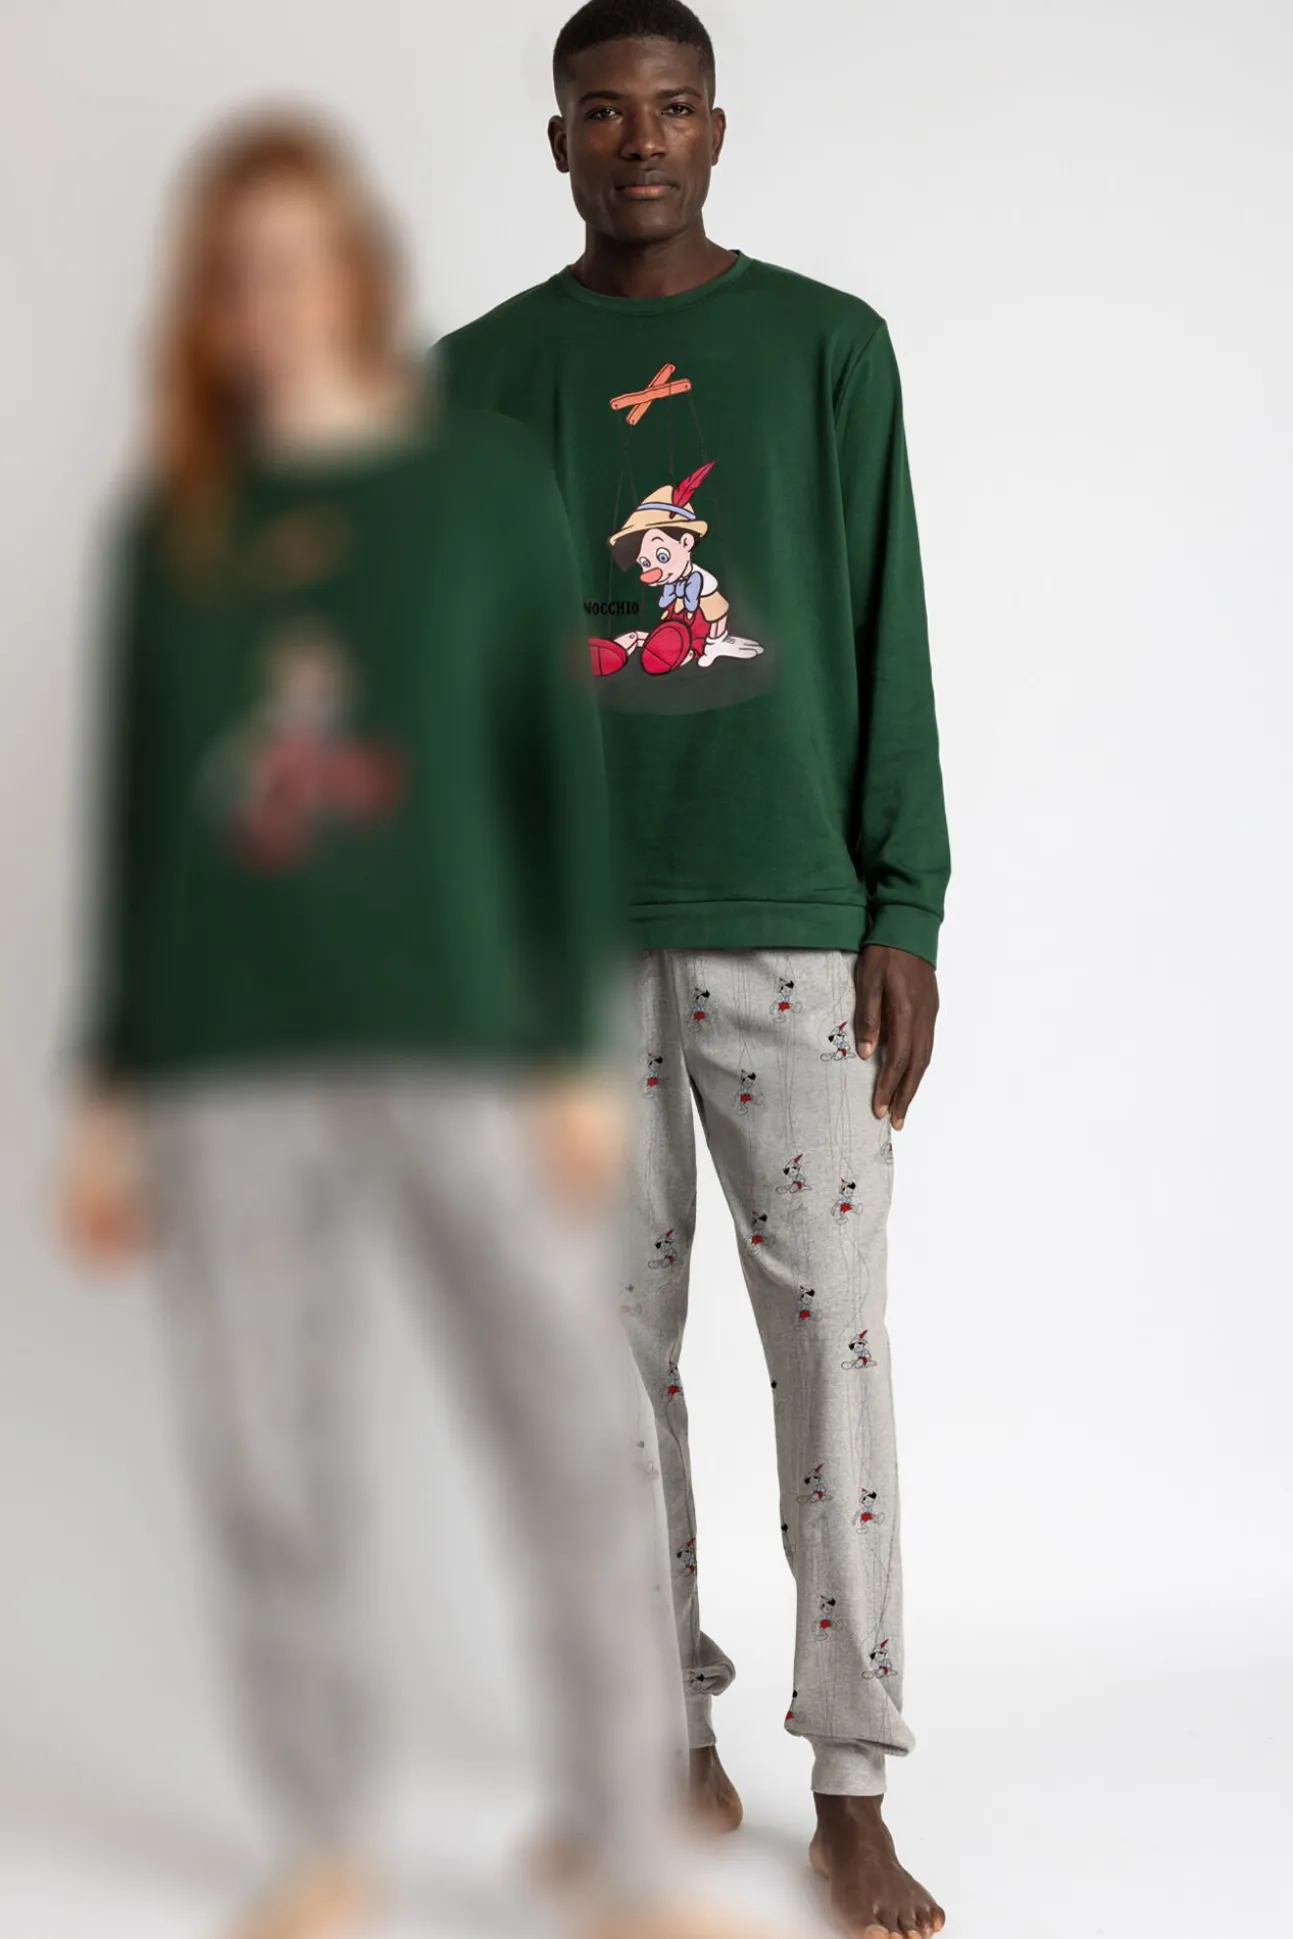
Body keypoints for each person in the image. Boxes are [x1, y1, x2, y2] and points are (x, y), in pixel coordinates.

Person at [57, 110, 770, 1939]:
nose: (273, 298)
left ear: (356, 275)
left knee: (570, 1441)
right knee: (268, 1464)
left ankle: (627, 1843)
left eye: (302, 259)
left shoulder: (482, 489)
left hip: (464, 1045)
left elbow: (552, 776)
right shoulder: (175, 528)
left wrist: (570, 1048)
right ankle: (323, 1837)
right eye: (239, 272)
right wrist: (112, 1091)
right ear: (209, 306)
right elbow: (138, 823)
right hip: (224, 1064)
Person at [435, 6, 951, 1937]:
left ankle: (851, 1783)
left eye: (670, 109)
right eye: (603, 112)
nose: (638, 139)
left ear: (716, 131)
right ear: (558, 139)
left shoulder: (829, 348)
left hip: (793, 927)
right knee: (597, 1373)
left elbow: (892, 621)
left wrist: (906, 907)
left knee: (834, 1351)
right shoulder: (473, 380)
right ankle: (666, 1742)